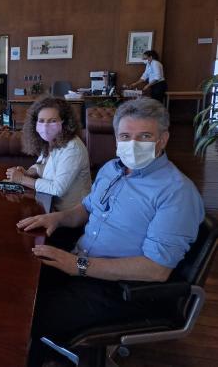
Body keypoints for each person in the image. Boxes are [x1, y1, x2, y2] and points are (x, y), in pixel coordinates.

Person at [17, 98, 204, 366]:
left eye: (145, 136)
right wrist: (57, 217)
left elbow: (156, 269)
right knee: (18, 285)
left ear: (163, 140)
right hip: (82, 262)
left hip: (123, 289)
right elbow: (87, 208)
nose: (133, 144)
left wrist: (78, 265)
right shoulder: (111, 169)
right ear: (116, 139)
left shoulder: (176, 192)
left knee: (27, 314)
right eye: (126, 136)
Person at [6, 97, 91, 211]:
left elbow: (57, 189)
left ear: (65, 122)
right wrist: (29, 172)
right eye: (41, 121)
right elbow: (46, 167)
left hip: (71, 214)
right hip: (49, 205)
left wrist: (22, 179)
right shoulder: (50, 140)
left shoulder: (73, 148)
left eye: (53, 121)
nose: (45, 126)